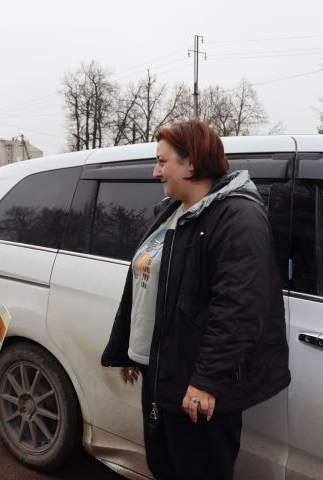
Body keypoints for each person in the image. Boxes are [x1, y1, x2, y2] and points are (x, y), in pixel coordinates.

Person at [101, 119, 290, 480]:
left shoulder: (237, 217)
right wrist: (130, 348)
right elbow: (146, 286)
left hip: (195, 383)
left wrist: (206, 380)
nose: (155, 172)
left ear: (191, 164)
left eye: (162, 161)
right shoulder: (171, 212)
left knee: (198, 471)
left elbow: (238, 308)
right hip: (161, 370)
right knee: (164, 466)